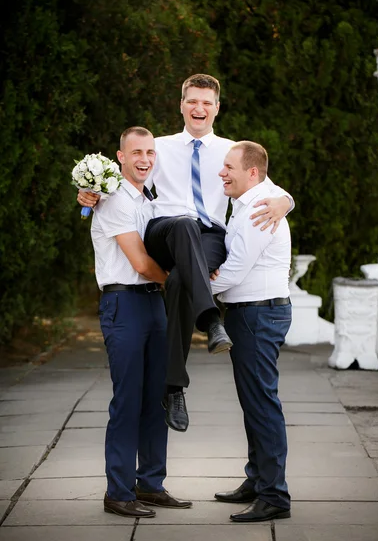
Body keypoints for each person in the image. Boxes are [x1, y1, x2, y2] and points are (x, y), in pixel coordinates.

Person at [79, 74, 293, 433]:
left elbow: (269, 184)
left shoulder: (230, 150)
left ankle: (174, 387)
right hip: (165, 231)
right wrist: (90, 194)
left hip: (208, 236)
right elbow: (120, 179)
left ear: (217, 108)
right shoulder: (158, 147)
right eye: (192, 100)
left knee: (181, 279)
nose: (199, 108)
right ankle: (210, 320)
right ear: (181, 104)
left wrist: (286, 202)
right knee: (181, 224)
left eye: (207, 102)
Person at [91, 126, 192, 518]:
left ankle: (150, 484)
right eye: (136, 153)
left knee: (157, 398)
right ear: (120, 156)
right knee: (128, 401)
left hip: (153, 305)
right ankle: (118, 490)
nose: (145, 159)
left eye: (150, 152)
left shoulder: (150, 199)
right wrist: (184, 286)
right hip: (124, 304)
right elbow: (140, 263)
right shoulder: (114, 200)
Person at [210, 141, 292, 523]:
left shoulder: (260, 207)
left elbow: (237, 267)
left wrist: (193, 288)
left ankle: (274, 496)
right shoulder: (255, 200)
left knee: (262, 405)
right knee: (254, 403)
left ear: (252, 173)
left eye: (229, 167)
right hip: (250, 314)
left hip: (258, 316)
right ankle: (257, 480)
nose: (222, 173)